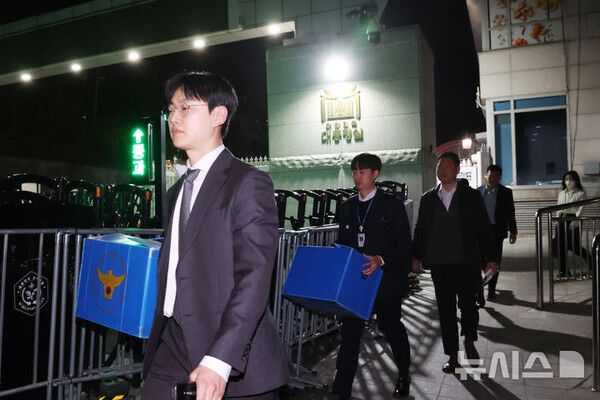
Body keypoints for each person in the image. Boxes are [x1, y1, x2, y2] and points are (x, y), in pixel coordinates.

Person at [141, 71, 288, 400]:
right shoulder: (177, 191)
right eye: (171, 109)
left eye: (185, 108)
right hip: (173, 343)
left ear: (218, 115)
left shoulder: (247, 182)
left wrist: (220, 359)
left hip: (231, 355)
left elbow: (255, 275)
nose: (173, 117)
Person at [332, 153, 412, 399]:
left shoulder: (392, 205)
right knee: (350, 332)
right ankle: (342, 388)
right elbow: (342, 243)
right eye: (354, 171)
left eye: (362, 171)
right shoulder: (347, 207)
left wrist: (380, 259)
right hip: (357, 282)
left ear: (376, 174)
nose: (357, 176)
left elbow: (404, 244)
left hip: (386, 280)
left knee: (391, 326)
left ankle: (404, 373)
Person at [412, 152, 499, 373]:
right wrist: (416, 256)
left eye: (447, 166)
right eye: (439, 166)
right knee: (446, 310)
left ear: (457, 170)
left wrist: (490, 258)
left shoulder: (471, 196)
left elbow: (483, 227)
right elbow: (420, 229)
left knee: (468, 306)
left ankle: (469, 340)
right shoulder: (428, 198)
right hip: (439, 264)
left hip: (466, 262)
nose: (442, 170)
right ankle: (452, 355)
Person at [477, 164, 517, 305]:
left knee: (495, 261)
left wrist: (513, 231)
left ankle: (491, 290)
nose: (492, 178)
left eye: (496, 176)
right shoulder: (478, 192)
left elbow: (510, 212)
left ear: (499, 177)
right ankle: (480, 288)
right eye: (490, 175)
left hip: (496, 231)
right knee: (479, 261)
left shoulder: (506, 192)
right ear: (486, 176)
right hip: (480, 232)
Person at [553, 170, 589, 277]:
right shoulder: (562, 193)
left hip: (573, 219)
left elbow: (581, 209)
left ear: (576, 180)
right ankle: (564, 271)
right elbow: (558, 207)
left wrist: (576, 221)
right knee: (560, 247)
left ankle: (591, 261)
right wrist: (557, 221)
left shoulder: (581, 193)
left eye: (571, 179)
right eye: (566, 179)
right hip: (561, 219)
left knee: (574, 246)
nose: (568, 181)